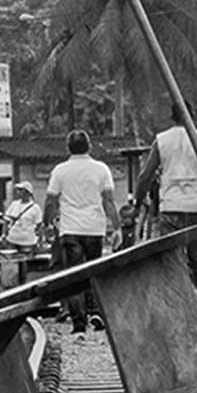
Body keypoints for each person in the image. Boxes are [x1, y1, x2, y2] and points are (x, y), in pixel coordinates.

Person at [137, 104, 197, 310]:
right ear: (191, 115)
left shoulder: (161, 140)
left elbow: (146, 175)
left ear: (171, 116)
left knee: (171, 264)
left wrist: (138, 202)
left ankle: (177, 309)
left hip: (171, 208)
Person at [42, 130, 115, 333]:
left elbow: (50, 200)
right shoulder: (101, 169)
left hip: (70, 229)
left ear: (68, 148)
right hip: (95, 228)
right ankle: (97, 314)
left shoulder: (60, 170)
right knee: (95, 273)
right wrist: (116, 226)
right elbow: (108, 200)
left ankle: (79, 322)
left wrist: (46, 222)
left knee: (74, 277)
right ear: (89, 146)